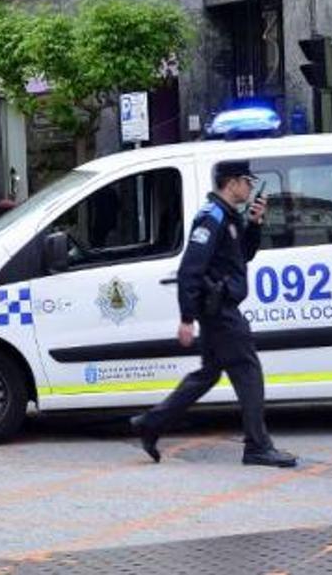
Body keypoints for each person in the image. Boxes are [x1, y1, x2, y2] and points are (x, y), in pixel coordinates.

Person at [131, 160, 297, 468]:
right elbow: (190, 270)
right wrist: (186, 318)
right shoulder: (212, 218)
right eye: (247, 181)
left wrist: (255, 225)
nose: (250, 187)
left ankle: (150, 424)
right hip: (220, 312)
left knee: (207, 375)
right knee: (248, 372)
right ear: (231, 183)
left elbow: (241, 256)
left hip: (220, 309)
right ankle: (258, 446)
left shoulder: (230, 216)